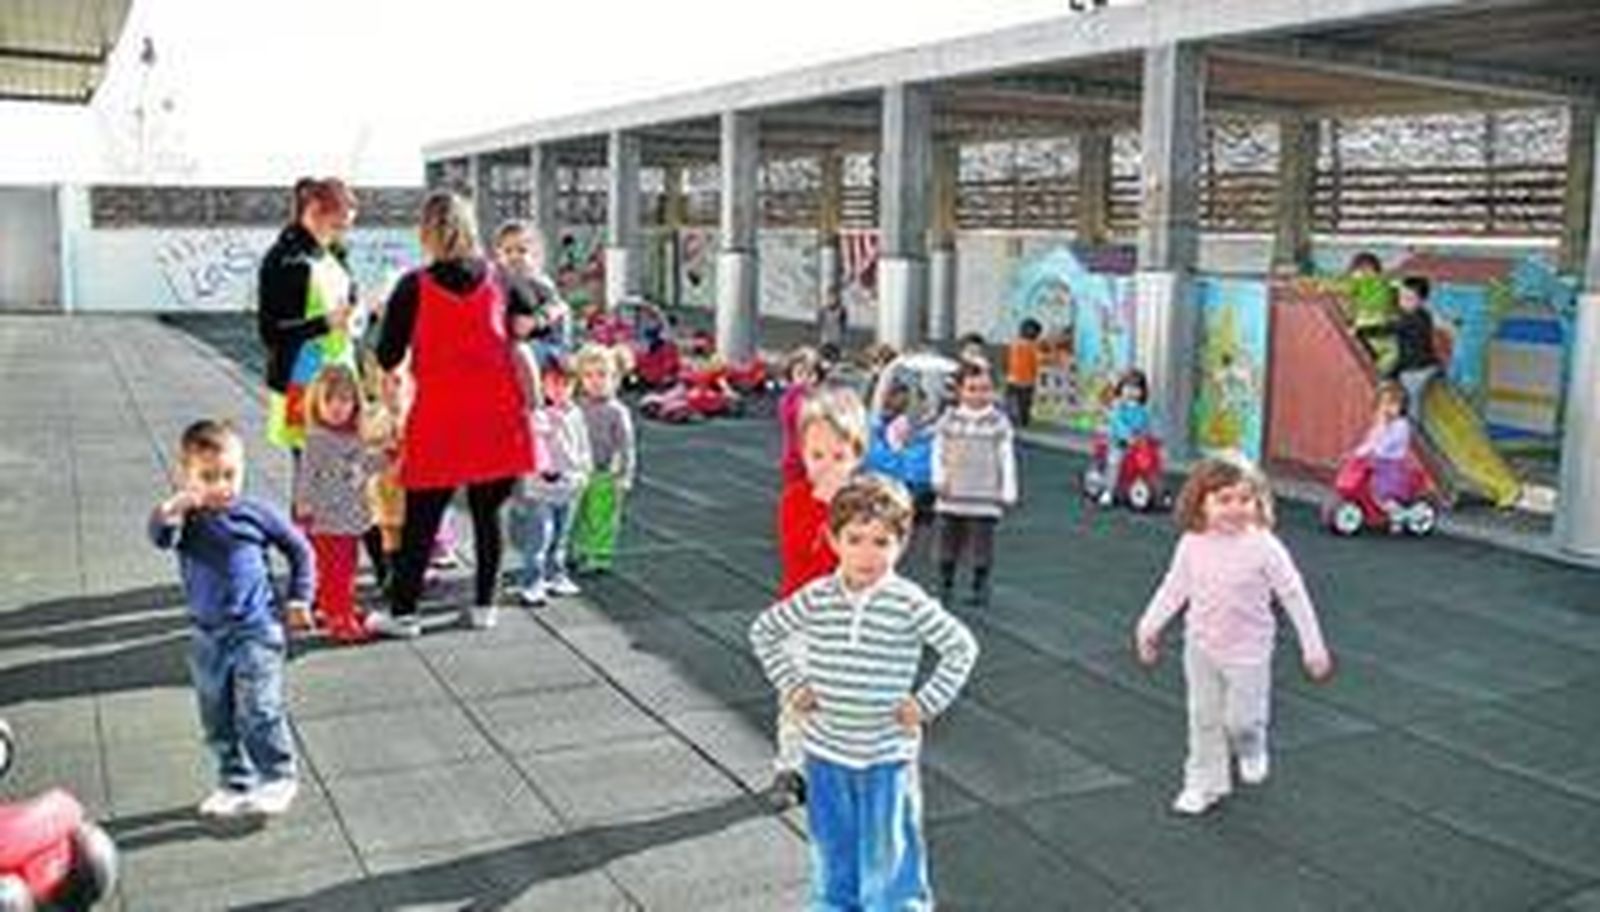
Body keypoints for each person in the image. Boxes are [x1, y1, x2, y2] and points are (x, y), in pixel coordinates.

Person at [750, 474, 978, 910]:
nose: (867, 554)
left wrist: (926, 703)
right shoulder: (816, 596)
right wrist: (792, 685)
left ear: (901, 544)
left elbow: (961, 647)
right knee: (833, 856)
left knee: (890, 859)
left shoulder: (907, 601)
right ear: (834, 540)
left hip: (886, 757)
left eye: (881, 541)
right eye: (855, 539)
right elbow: (764, 631)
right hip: (826, 753)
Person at [366, 191, 539, 638]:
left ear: (426, 232)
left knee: (422, 517)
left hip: (440, 415)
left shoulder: (413, 285)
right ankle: (485, 606)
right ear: (471, 227)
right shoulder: (501, 278)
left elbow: (387, 355)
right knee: (488, 515)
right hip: (497, 413)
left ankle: (404, 614)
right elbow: (528, 321)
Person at [1134, 457, 1334, 816]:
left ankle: (1252, 744)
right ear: (1201, 503)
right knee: (1204, 717)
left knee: (1240, 721)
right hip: (1201, 647)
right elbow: (1174, 589)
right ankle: (1202, 784)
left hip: (1249, 652)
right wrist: (1149, 627)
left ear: (1258, 503)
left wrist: (1313, 646)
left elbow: (1293, 594)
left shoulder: (1264, 546)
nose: (1235, 509)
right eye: (1224, 500)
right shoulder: (1192, 543)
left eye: (1245, 500)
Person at [148, 420, 311, 819]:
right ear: (186, 476)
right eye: (208, 477)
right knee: (215, 715)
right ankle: (235, 782)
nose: (222, 486)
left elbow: (300, 549)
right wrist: (171, 509)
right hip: (207, 635)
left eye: (230, 475)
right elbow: (159, 536)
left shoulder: (255, 513)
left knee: (258, 707)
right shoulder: (186, 521)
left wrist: (299, 598)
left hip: (256, 630)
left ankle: (277, 776)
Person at [770, 384, 871, 809]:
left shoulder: (865, 504)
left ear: (856, 456)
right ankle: (790, 767)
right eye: (817, 456)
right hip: (803, 620)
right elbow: (801, 553)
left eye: (838, 457)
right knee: (799, 698)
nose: (826, 467)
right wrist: (824, 511)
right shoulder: (796, 500)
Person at [258, 178, 359, 454]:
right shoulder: (282, 259)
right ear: (313, 212)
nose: (341, 234)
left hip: (341, 378)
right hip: (299, 380)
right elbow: (270, 332)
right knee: (310, 472)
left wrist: (361, 313)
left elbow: (347, 304)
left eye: (346, 227)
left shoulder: (334, 253)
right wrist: (325, 323)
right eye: (337, 225)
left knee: (339, 468)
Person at [292, 365, 381, 643]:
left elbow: (361, 466)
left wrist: (385, 458)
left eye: (344, 400)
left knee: (344, 565)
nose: (337, 407)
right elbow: (305, 476)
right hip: (326, 518)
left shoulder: (353, 436)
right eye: (329, 400)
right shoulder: (317, 440)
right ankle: (338, 615)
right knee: (337, 568)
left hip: (349, 516)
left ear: (355, 403)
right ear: (317, 403)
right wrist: (303, 507)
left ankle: (330, 605)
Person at [932, 359, 1018, 607]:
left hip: (985, 495)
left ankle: (980, 586)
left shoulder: (998, 422)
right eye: (972, 388)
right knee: (947, 540)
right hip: (952, 493)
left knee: (982, 544)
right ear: (959, 390)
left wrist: (1008, 487)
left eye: (985, 389)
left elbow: (1006, 456)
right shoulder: (949, 419)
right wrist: (938, 477)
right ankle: (945, 583)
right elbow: (938, 451)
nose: (979, 395)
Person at [512, 358, 591, 607]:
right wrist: (540, 470)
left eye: (565, 384)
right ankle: (532, 582)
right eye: (553, 383)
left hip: (569, 484)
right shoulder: (539, 415)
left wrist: (583, 472)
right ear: (543, 385)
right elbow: (534, 447)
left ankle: (556, 574)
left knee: (561, 534)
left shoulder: (576, 414)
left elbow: (582, 445)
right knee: (540, 535)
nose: (559, 389)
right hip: (541, 488)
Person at [570, 343, 636, 575]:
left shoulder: (617, 411)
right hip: (579, 471)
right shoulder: (576, 406)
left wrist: (625, 475)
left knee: (602, 515)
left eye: (602, 375)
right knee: (577, 513)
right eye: (588, 375)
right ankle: (578, 549)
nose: (595, 381)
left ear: (614, 378)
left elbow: (626, 445)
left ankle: (599, 555)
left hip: (605, 472)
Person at [494, 220, 571, 361]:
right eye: (508, 251)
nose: (514, 256)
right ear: (499, 255)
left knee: (525, 353)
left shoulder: (538, 281)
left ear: (535, 255)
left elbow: (557, 307)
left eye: (522, 250)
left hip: (541, 342)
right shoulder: (497, 282)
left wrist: (536, 321)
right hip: (511, 341)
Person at [1355, 381, 1418, 526]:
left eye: (1393, 405)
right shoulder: (1382, 423)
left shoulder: (1401, 426)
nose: (1388, 409)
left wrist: (1375, 451)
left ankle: (1398, 513)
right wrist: (1360, 451)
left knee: (1382, 494)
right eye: (1384, 404)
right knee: (1364, 482)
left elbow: (1388, 444)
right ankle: (1372, 512)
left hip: (1391, 465)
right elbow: (1372, 439)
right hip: (1378, 462)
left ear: (1401, 407)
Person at [1385, 275, 1442, 420]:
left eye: (1409, 299)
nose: (1403, 302)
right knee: (1413, 401)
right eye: (1401, 297)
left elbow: (1387, 329)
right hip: (1428, 365)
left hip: (1416, 370)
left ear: (1421, 301)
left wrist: (1391, 373)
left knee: (1411, 406)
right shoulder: (1424, 314)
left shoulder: (1410, 320)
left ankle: (1412, 434)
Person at [1099, 368, 1153, 507]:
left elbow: (1144, 425)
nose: (1131, 392)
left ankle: (1152, 487)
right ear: (1121, 389)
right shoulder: (1119, 408)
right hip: (1118, 441)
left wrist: (1144, 436)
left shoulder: (1142, 410)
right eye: (1128, 388)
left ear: (1142, 392)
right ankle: (1108, 491)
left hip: (1136, 442)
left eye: (1136, 388)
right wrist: (1127, 436)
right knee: (1115, 460)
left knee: (1151, 460)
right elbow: (1118, 423)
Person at [777, 346, 825, 485]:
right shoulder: (790, 398)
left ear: (817, 377)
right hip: (795, 460)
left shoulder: (820, 396)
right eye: (800, 373)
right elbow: (794, 416)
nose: (805, 378)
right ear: (791, 376)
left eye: (810, 374)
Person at [1005, 318, 1044, 428]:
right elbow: (1034, 364)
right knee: (1024, 402)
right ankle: (1023, 420)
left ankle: (1011, 418)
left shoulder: (1015, 344)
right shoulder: (1032, 347)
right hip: (1027, 380)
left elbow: (1010, 361)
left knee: (1012, 400)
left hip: (1013, 378)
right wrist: (1035, 376)